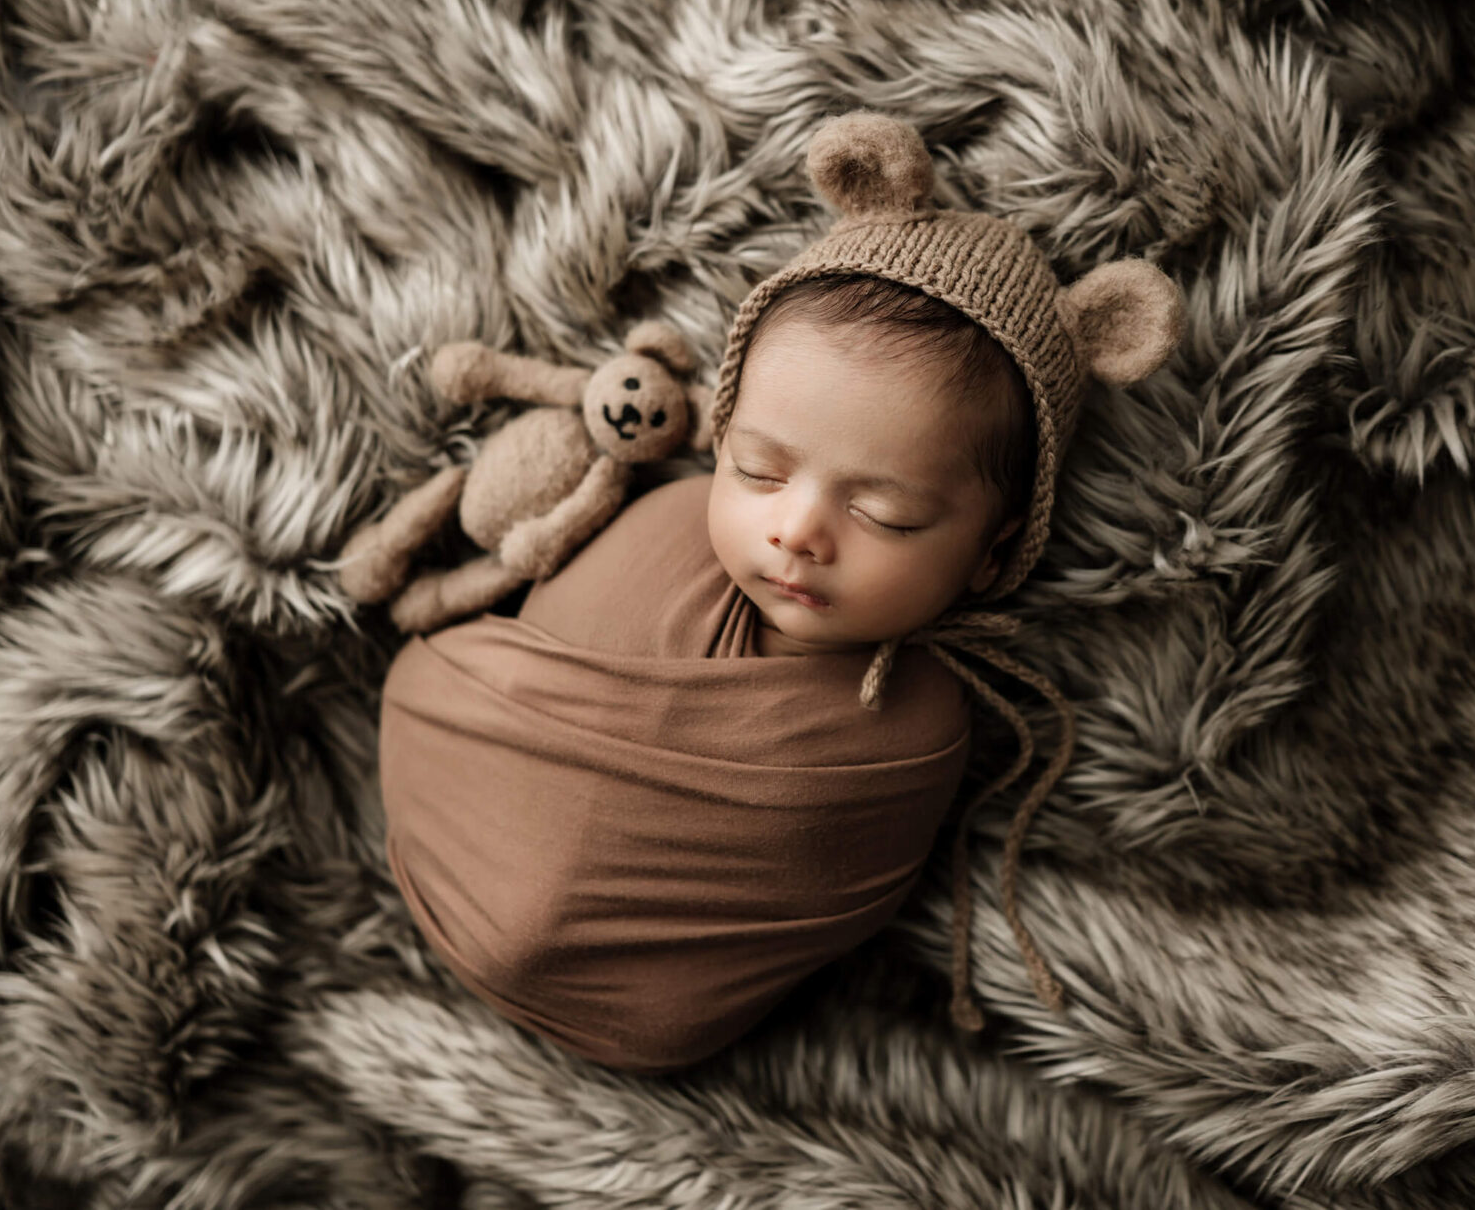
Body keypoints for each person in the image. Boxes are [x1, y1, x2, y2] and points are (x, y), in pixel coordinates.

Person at [376, 109, 1183, 1074]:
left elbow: (845, 885)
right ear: (719, 432)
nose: (797, 530)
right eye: (757, 469)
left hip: (650, 1021)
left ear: (990, 552)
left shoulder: (916, 725)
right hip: (442, 824)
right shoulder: (665, 516)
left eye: (886, 514)